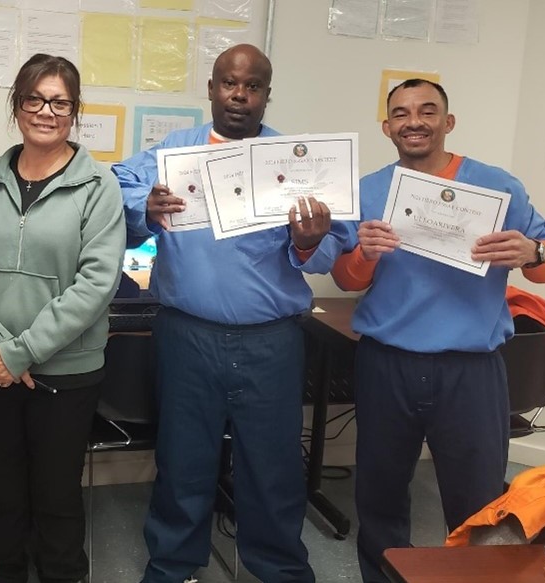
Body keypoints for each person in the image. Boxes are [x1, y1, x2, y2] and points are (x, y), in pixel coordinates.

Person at [112, 43, 352, 583]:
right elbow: (114, 186)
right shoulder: (175, 150)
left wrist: (311, 241)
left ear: (267, 94)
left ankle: (280, 569)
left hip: (271, 341)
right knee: (183, 461)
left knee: (273, 467)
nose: (239, 96)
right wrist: (143, 207)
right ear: (212, 88)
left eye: (253, 86)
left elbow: (339, 243)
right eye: (228, 83)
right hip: (186, 335)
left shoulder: (296, 162)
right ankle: (173, 566)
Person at [331, 78, 545, 583]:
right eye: (401, 113)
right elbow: (346, 276)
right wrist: (363, 254)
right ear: (387, 126)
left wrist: (533, 253)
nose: (413, 121)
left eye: (427, 111)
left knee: (478, 502)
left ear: (448, 122)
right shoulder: (368, 190)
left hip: (470, 370)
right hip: (387, 363)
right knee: (380, 493)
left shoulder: (497, 185)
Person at [0, 53, 125, 583]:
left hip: (65, 376)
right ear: (17, 105)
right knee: (2, 493)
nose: (47, 111)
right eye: (35, 99)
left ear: (74, 110)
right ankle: (5, 573)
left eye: (60, 102)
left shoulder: (98, 187)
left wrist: (20, 352)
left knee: (57, 498)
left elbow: (95, 285)